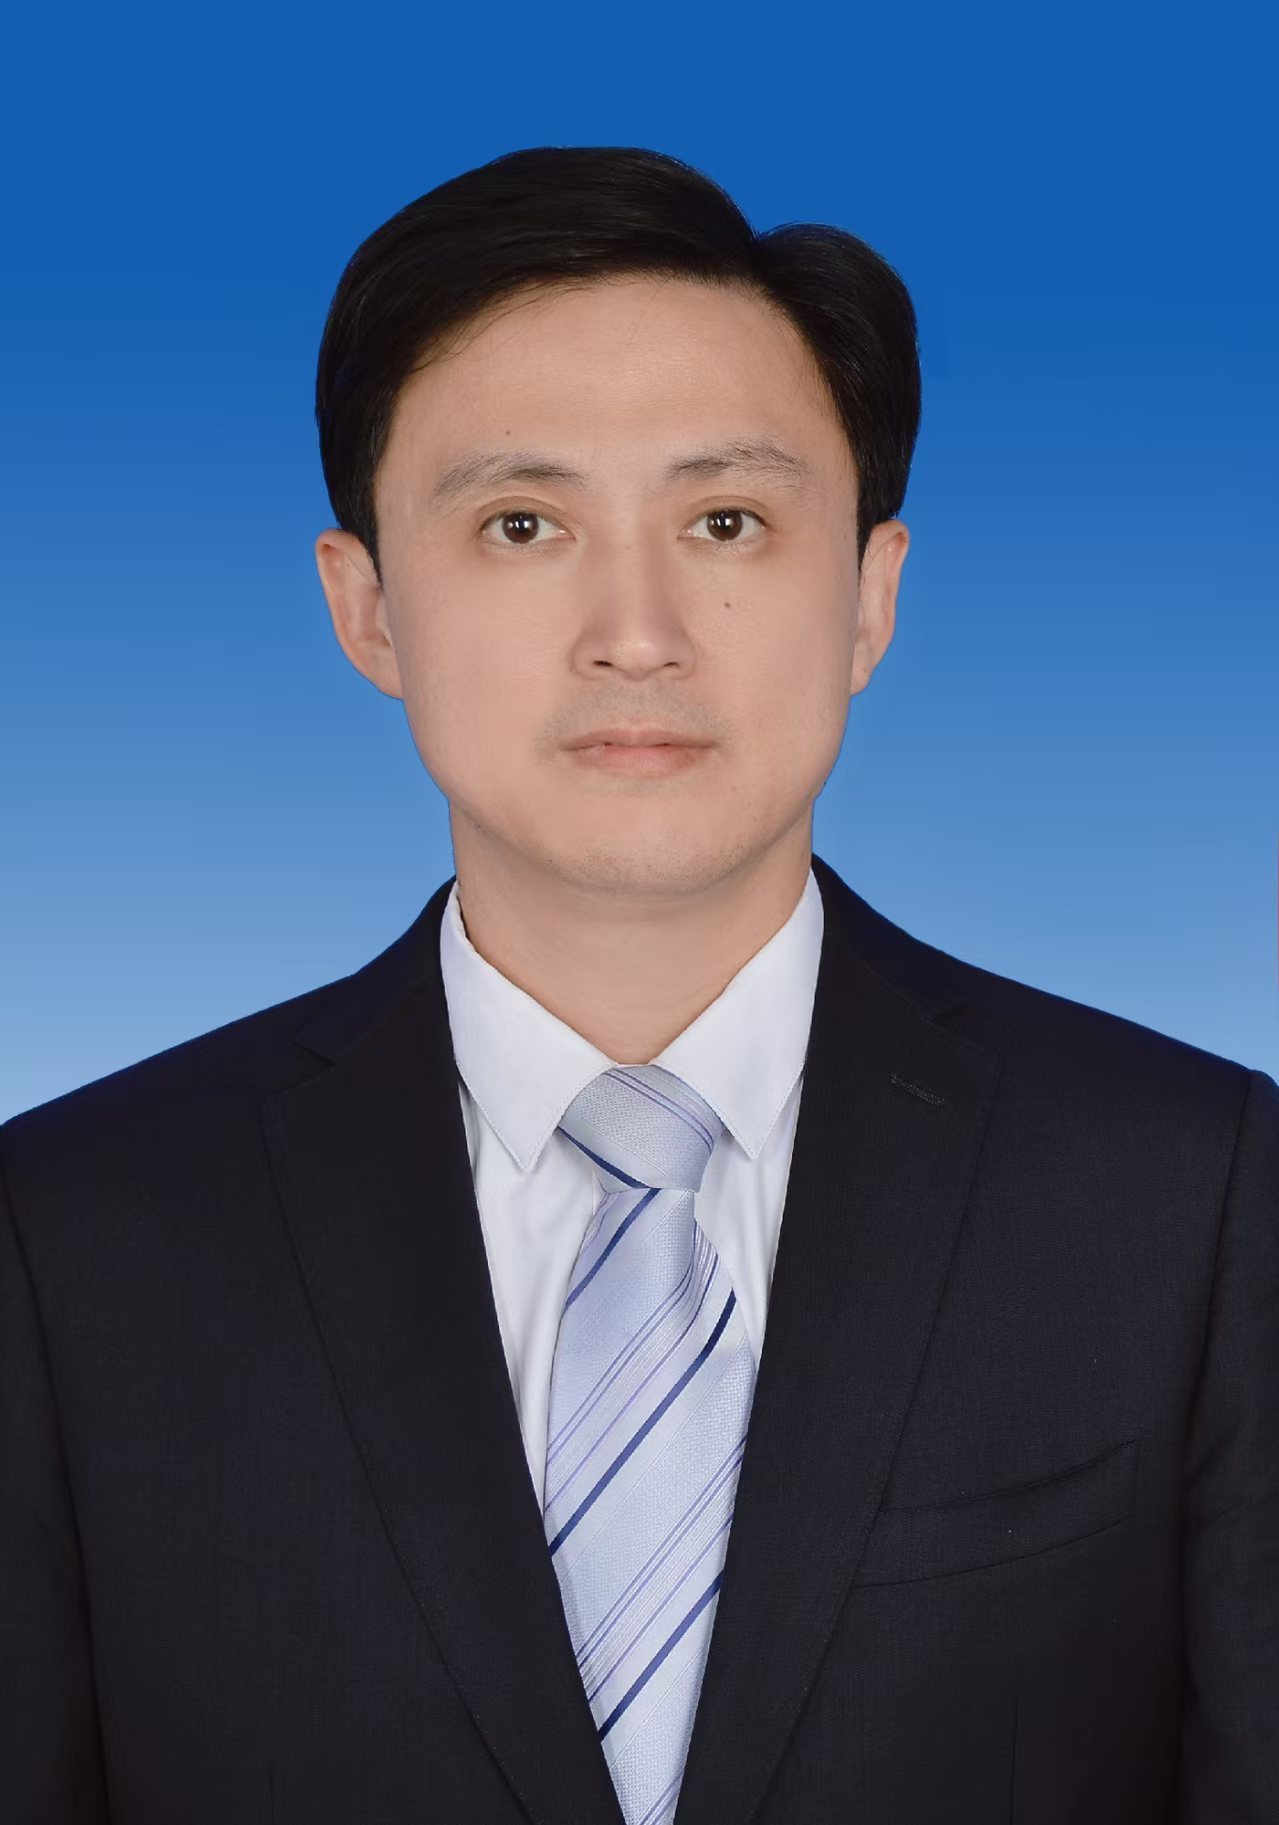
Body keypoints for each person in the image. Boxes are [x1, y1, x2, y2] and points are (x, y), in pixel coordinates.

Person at [1, 144, 1275, 1825]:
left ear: (871, 595)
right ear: (367, 608)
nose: (637, 631)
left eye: (725, 520)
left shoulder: (1188, 1192)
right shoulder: (75, 1236)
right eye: (522, 524)